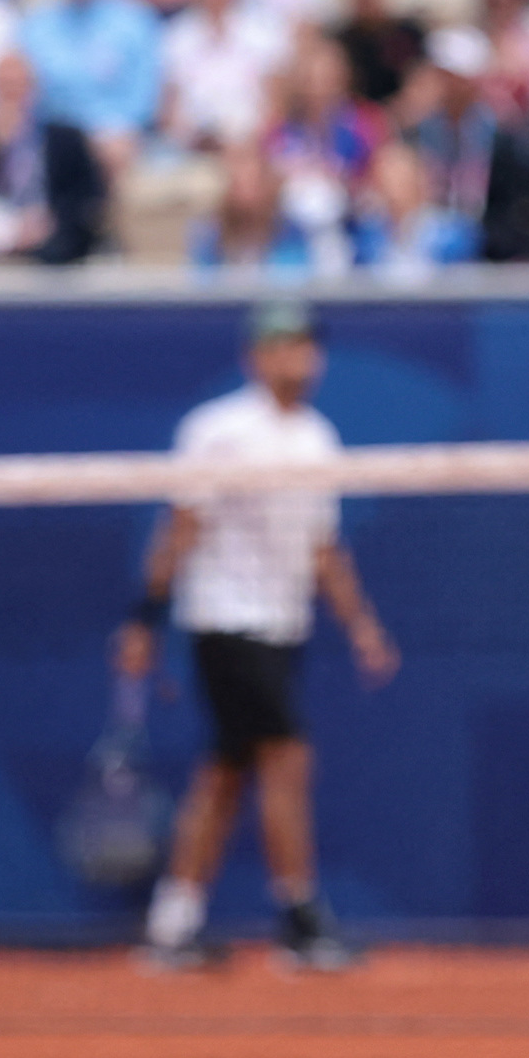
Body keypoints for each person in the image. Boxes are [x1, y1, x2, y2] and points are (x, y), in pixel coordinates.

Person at [121, 301, 399, 972]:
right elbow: (181, 526)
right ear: (255, 358)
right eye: (281, 346)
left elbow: (325, 547)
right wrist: (145, 619)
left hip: (284, 623)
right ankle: (299, 919)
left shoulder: (317, 438)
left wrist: (360, 624)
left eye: (305, 346)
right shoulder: (218, 431)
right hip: (225, 620)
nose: (296, 358)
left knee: (223, 775)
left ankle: (171, 925)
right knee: (286, 760)